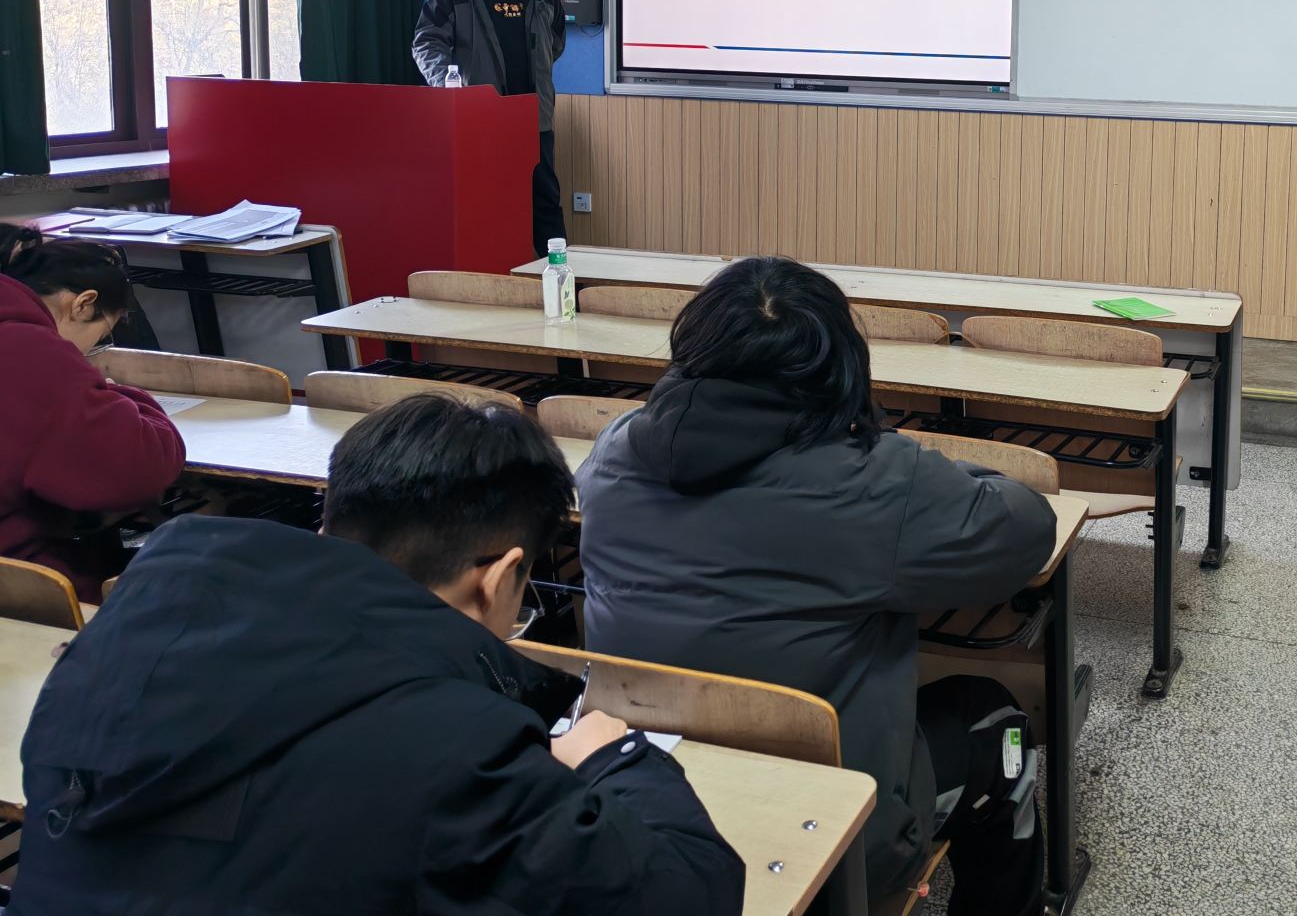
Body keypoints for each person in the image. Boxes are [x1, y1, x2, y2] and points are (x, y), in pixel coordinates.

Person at [10, 393, 744, 915]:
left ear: (328, 527)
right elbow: (690, 892)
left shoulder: (125, 632)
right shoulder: (459, 747)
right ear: (497, 579)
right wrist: (613, 758)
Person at [576, 256, 1057, 913]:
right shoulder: (877, 482)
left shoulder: (612, 449)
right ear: (841, 366)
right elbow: (1028, 528)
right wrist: (903, 457)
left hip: (640, 798)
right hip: (839, 842)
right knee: (995, 720)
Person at [0, 223, 184, 602]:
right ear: (83, 304)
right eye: (100, 337)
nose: (85, 354)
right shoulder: (33, 351)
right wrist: (124, 395)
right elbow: (140, 468)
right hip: (21, 578)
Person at [412, 0, 567, 256]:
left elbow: (556, 41)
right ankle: (495, 277)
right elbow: (426, 42)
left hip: (534, 117)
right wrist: (449, 84)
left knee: (545, 203)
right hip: (481, 118)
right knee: (487, 202)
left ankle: (558, 277)